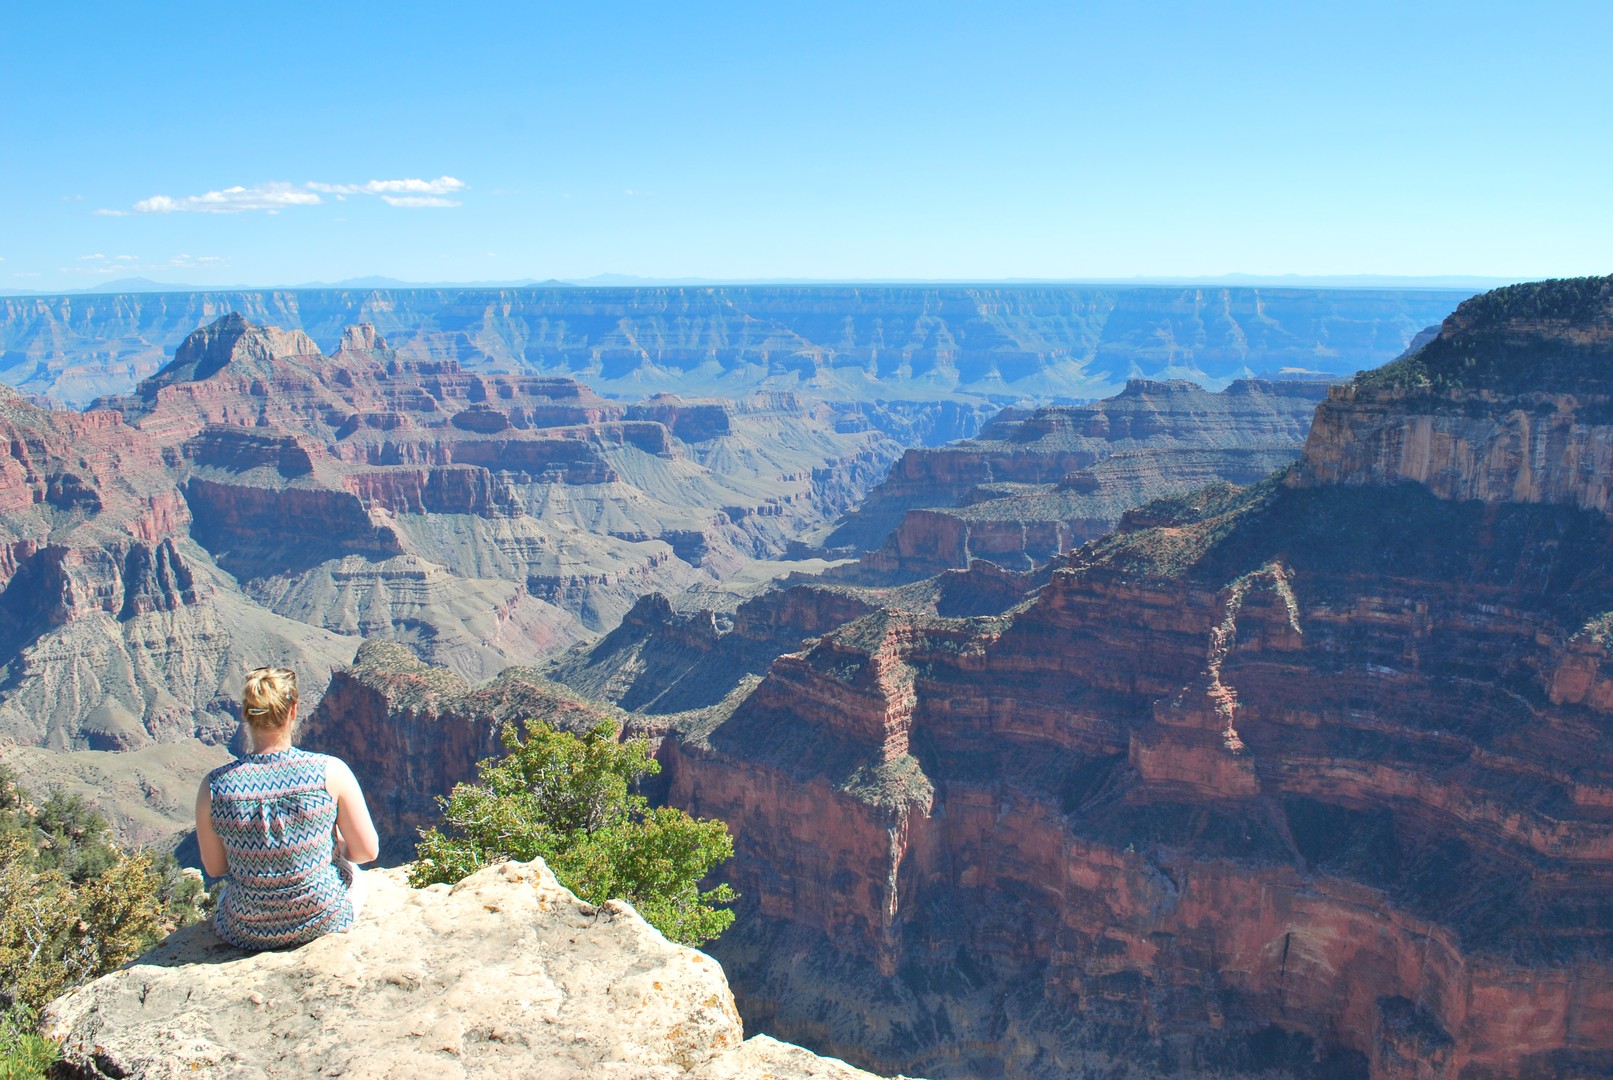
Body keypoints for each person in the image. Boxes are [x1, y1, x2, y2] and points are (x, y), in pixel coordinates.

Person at [194, 666, 379, 950]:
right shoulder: (330, 772)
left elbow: (216, 868)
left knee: (224, 896)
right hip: (324, 919)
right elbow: (367, 852)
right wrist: (332, 847)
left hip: (245, 930)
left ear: (246, 714)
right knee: (355, 875)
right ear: (294, 710)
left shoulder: (215, 786)